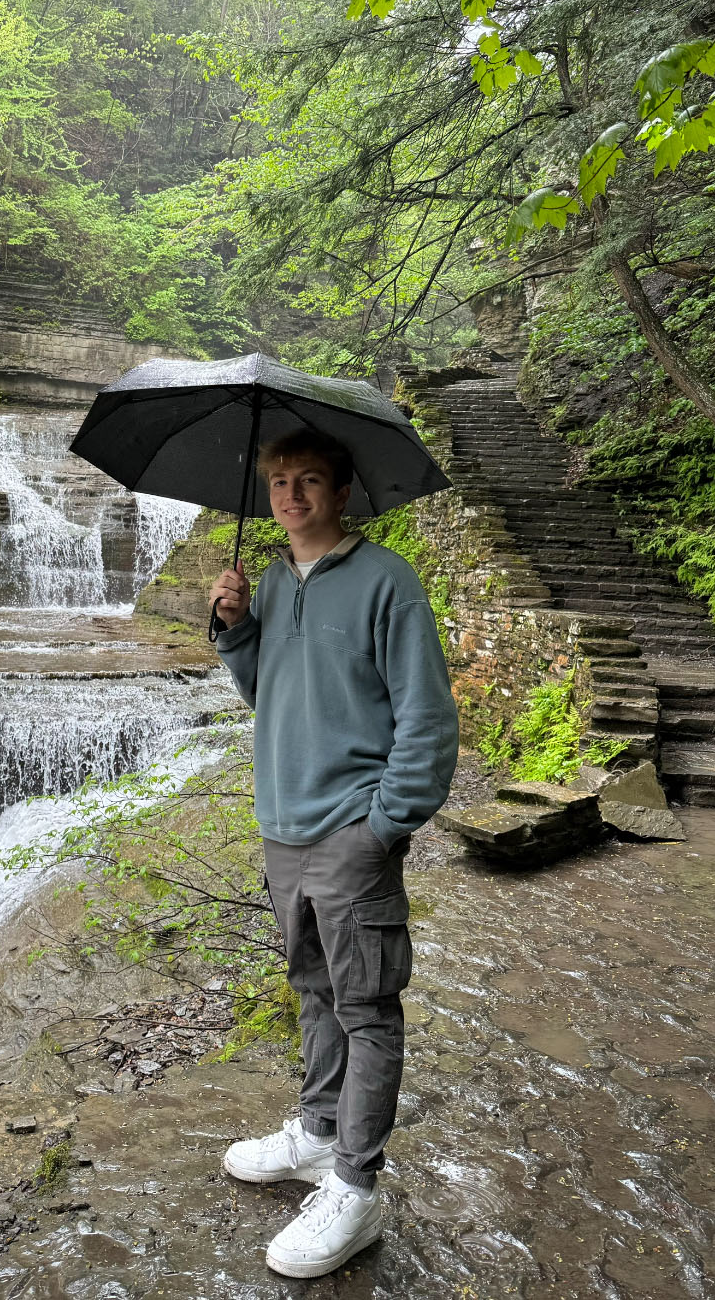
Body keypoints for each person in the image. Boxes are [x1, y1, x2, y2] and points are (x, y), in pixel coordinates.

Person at [209, 425, 459, 1280]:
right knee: (313, 988)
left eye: (309, 480)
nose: (291, 495)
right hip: (283, 828)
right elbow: (263, 694)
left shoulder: (387, 581)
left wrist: (384, 827)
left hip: (352, 830)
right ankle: (318, 1134)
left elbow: (426, 719)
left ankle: (357, 1188)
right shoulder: (272, 582)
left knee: (367, 1008)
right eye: (279, 481)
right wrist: (237, 630)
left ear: (342, 492)